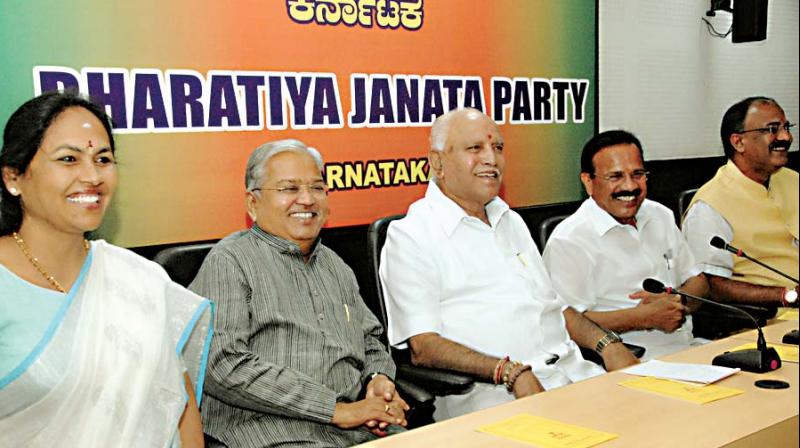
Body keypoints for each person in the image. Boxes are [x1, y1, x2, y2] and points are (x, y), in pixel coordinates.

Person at [379, 108, 638, 421]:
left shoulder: (510, 220)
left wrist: (608, 344)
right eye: (475, 148)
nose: (491, 158)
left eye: (498, 148)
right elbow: (425, 346)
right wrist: (509, 372)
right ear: (437, 163)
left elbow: (553, 307)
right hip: (497, 401)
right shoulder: (411, 235)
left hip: (574, 378)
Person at [0, 91, 212, 447]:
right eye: (68, 159)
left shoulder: (140, 280)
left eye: (103, 159)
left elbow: (179, 401)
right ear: (14, 177)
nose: (92, 176)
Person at [190, 139, 408, 447]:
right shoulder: (230, 262)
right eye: (289, 189)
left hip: (355, 428)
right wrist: (335, 410)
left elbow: (370, 339)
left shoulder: (335, 265)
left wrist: (378, 381)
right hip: (270, 433)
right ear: (253, 204)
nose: (307, 199)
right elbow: (222, 365)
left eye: (317, 187)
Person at [543, 130, 709, 360]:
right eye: (615, 177)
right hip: (627, 361)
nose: (630, 186)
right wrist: (642, 317)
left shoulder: (660, 215)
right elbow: (565, 321)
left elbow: (698, 281)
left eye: (637, 174)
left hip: (689, 347)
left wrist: (679, 301)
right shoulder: (570, 240)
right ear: (588, 182)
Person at [682, 97, 798, 307]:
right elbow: (713, 286)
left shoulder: (793, 180)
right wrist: (786, 295)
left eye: (786, 127)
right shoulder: (710, 205)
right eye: (772, 129)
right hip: (772, 317)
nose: (786, 137)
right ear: (738, 142)